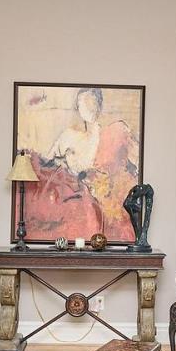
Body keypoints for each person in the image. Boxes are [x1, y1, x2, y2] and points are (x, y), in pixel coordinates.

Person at [29, 87, 139, 240]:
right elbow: (47, 161)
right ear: (78, 107)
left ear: (99, 105)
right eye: (83, 102)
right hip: (74, 196)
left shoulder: (113, 133)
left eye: (92, 102)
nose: (88, 106)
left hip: (102, 198)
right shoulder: (69, 136)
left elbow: (136, 162)